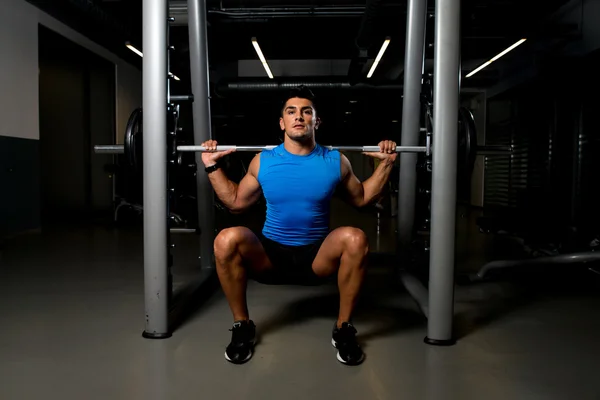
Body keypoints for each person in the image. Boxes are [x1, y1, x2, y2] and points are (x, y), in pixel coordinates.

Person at [201, 86, 397, 366]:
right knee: (225, 239)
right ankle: (242, 325)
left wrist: (387, 164)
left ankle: (343, 328)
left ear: (316, 122)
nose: (299, 117)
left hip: (317, 258)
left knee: (355, 238)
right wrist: (211, 165)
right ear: (282, 123)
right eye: (291, 112)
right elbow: (235, 202)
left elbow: (363, 198)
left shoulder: (335, 160)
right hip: (270, 256)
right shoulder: (264, 160)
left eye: (307, 112)